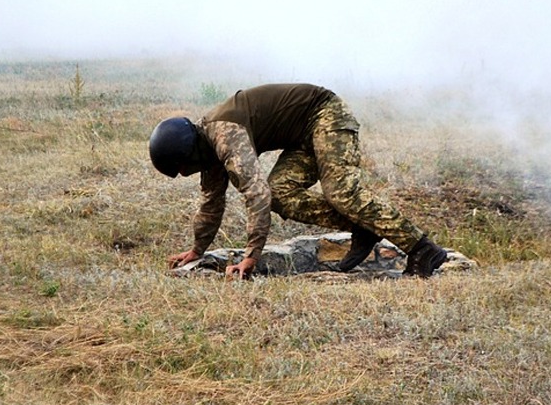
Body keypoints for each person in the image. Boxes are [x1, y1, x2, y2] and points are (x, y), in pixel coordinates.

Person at [149, 83, 448, 280]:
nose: (188, 174)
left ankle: (422, 248)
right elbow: (211, 203)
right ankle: (363, 228)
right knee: (281, 194)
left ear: (188, 154)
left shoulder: (224, 135)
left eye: (184, 168)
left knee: (341, 191)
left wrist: (251, 256)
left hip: (325, 114)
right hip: (302, 138)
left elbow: (256, 194)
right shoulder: (208, 150)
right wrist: (197, 250)